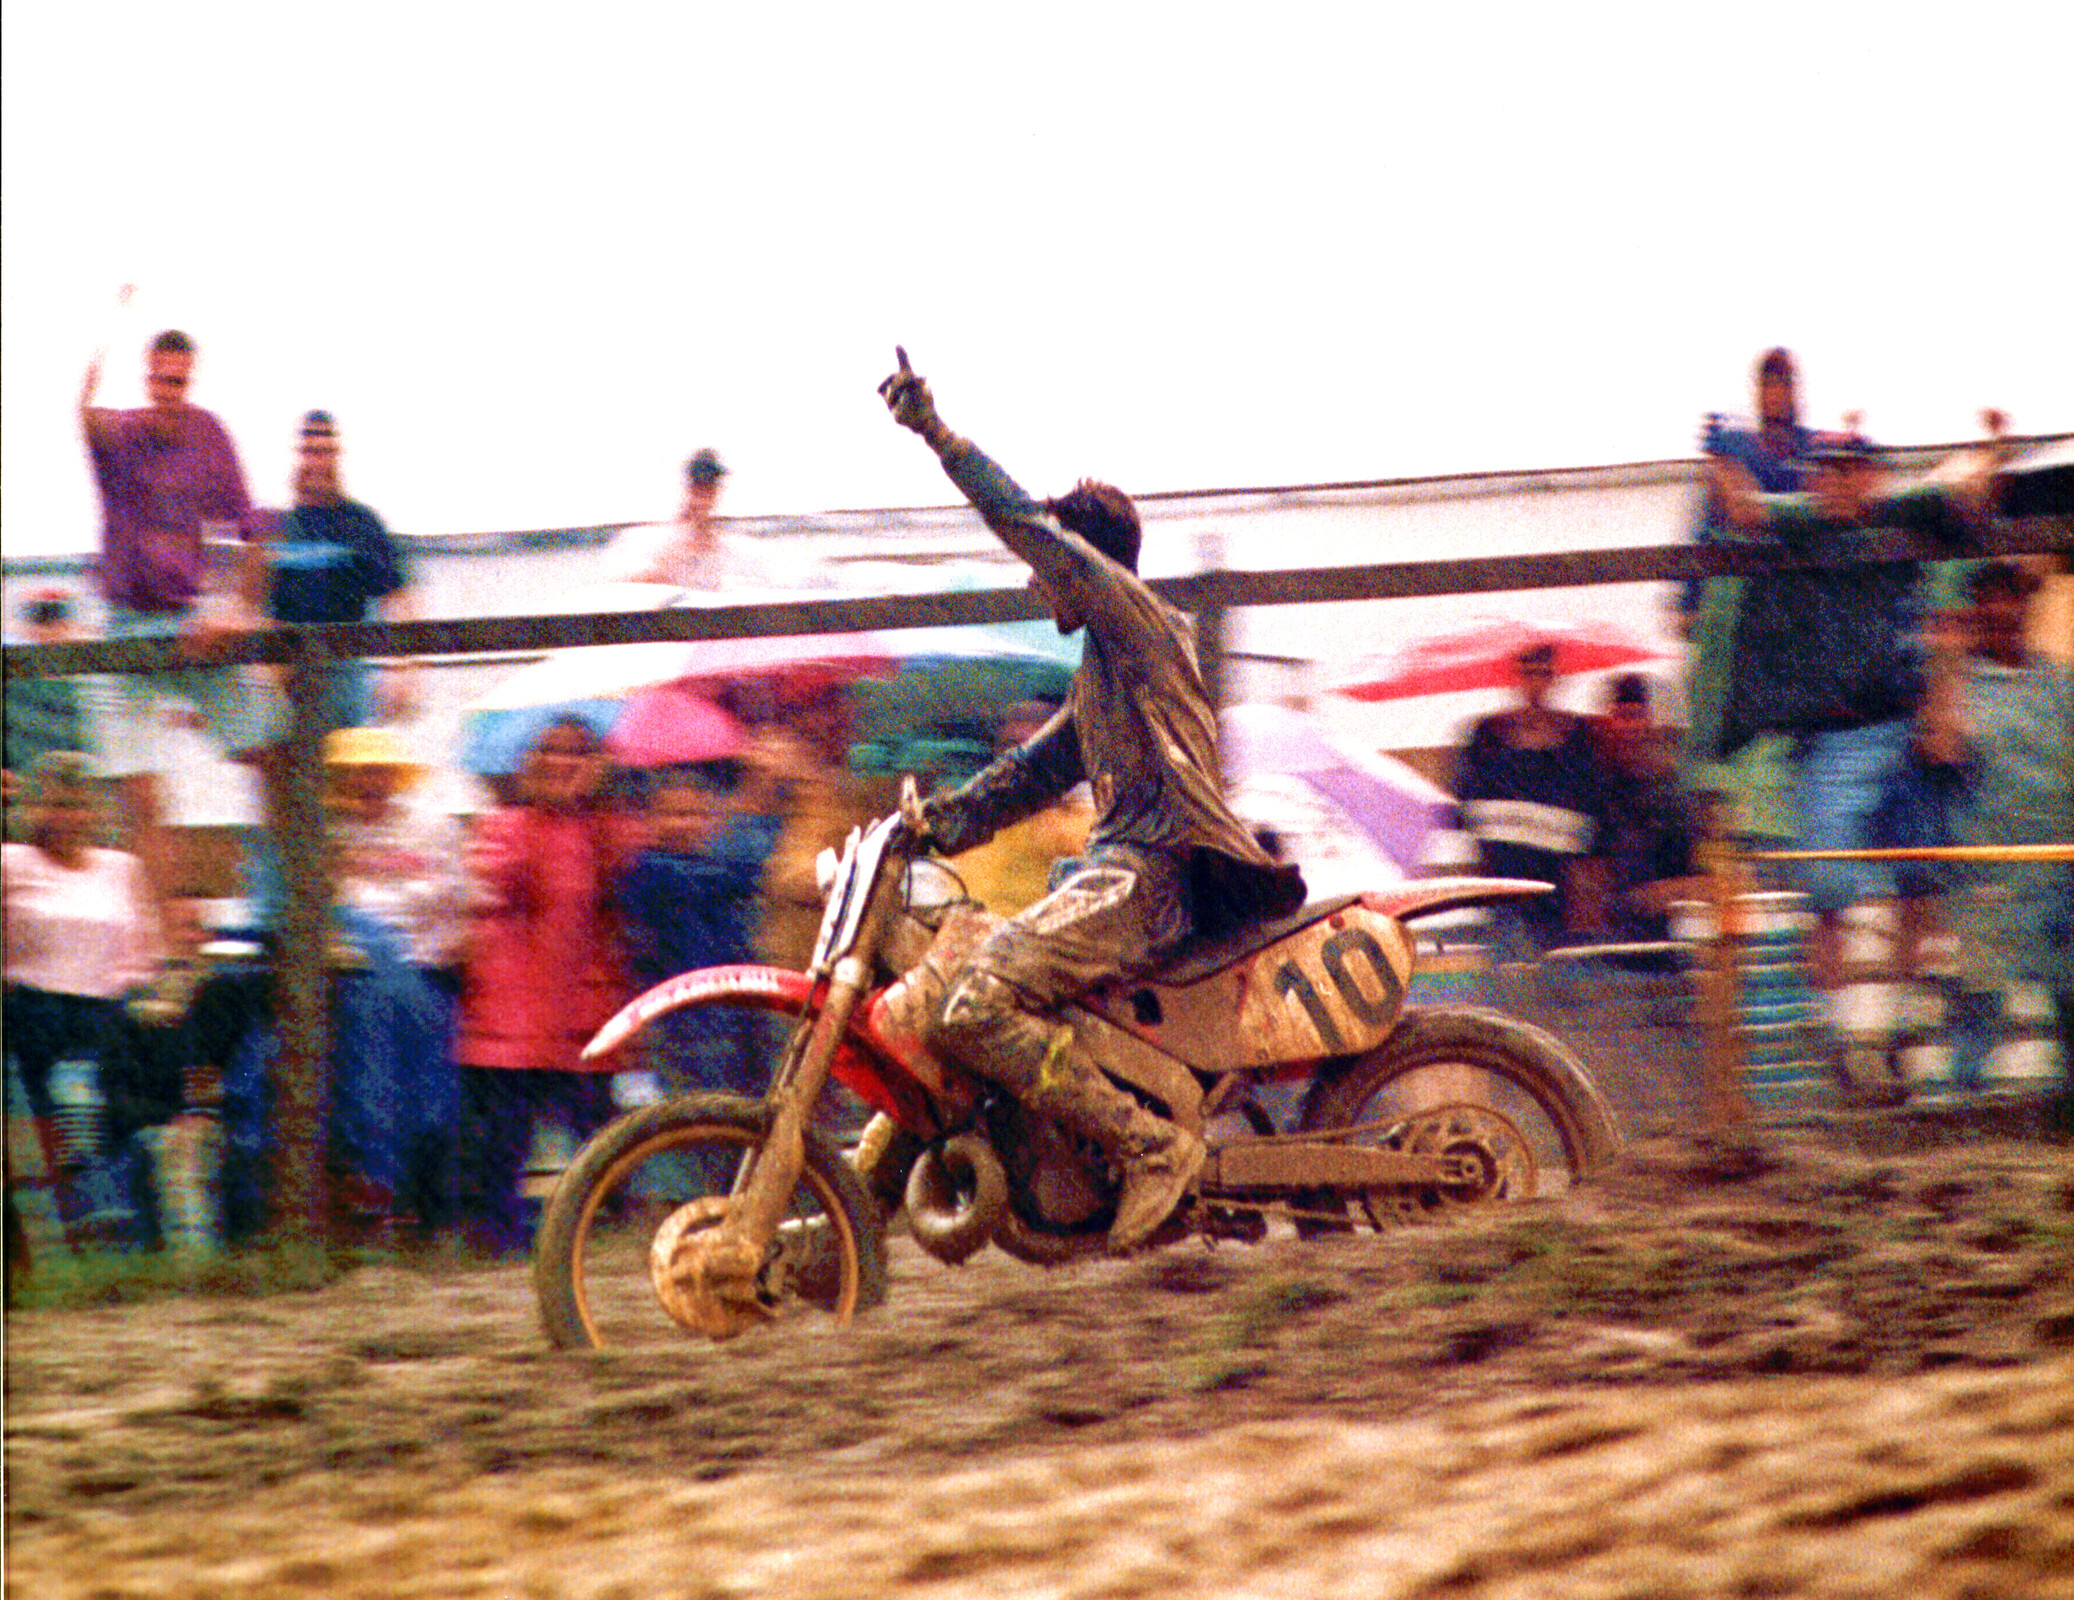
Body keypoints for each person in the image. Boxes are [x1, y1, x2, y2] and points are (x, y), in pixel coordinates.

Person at [878, 349, 1305, 1251]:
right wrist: (927, 826)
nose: (1033, 582)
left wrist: (939, 437)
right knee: (967, 976)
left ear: (1083, 565)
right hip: (1114, 877)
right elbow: (1030, 775)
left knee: (973, 1007)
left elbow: (1026, 526)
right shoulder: (1107, 674)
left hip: (1151, 876)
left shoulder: (1138, 621)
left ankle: (1151, 1148)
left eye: (1048, 565)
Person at [1687, 421, 2007, 998]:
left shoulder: (1902, 510)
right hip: (1833, 734)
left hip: (1904, 723)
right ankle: (1836, 1020)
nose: (1835, 482)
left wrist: (1990, 448)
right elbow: (1746, 511)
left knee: (1920, 874)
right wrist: (1720, 458)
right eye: (1826, 471)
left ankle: (1903, 1011)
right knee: (1827, 889)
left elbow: (1964, 492)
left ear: (1870, 476)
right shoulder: (1802, 518)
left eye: (1847, 470)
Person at [77, 321, 289, 910]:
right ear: (145, 379)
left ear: (190, 380)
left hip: (189, 624)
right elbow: (84, 412)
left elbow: (254, 530)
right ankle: (170, 944)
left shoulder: (209, 434)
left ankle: (283, 906)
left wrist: (234, 609)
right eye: (158, 380)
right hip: (122, 622)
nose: (167, 392)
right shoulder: (121, 431)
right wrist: (108, 322)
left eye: (177, 382)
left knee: (273, 754)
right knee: (139, 796)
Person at [452, 717, 638, 1253]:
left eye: (576, 753)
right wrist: (545, 817)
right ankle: (497, 1235)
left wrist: (596, 809)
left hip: (582, 1000)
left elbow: (624, 877)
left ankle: (615, 1225)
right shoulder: (506, 824)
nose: (561, 763)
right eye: (550, 752)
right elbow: (500, 883)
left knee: (598, 1124)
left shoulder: (607, 826)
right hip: (512, 1005)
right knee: (505, 1134)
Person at [1915, 561, 2073, 1102]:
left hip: (2061, 867)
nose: (2002, 609)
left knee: (2069, 997)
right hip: (1989, 875)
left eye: (2012, 596)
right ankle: (1965, 1114)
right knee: (1977, 1006)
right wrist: (1947, 658)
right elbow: (1941, 749)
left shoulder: (2060, 682)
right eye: (1989, 597)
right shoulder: (1963, 684)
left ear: (2028, 604)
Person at [3, 754, 161, 1237]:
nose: (68, 817)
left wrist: (138, 989)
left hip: (106, 1008)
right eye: (56, 805)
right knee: (70, 1075)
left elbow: (143, 950)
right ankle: (90, 1203)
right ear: (34, 810)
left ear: (96, 812)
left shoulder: (122, 868)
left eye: (79, 805)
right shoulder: (11, 861)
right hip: (31, 1005)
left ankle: (99, 1206)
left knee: (95, 1072)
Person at [324, 726, 469, 1240]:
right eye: (356, 772)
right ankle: (381, 1200)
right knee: (371, 1092)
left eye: (377, 770)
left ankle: (425, 1205)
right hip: (356, 977)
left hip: (425, 970)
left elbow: (455, 896)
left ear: (394, 775)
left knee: (432, 1098)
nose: (368, 781)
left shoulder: (431, 826)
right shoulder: (328, 833)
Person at [615, 759, 784, 1098]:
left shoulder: (715, 866)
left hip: (735, 1010)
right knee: (697, 1101)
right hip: (681, 1016)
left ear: (713, 820)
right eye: (675, 815)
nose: (687, 824)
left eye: (697, 814)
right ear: (651, 820)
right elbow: (719, 881)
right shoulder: (649, 871)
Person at [264, 412, 419, 732]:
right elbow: (262, 612)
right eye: (310, 451)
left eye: (326, 451)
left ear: (337, 456)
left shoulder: (362, 523)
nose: (317, 461)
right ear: (298, 456)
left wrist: (401, 671)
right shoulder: (281, 529)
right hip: (287, 681)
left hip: (347, 677)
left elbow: (398, 599)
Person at [1454, 642, 1603, 958]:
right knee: (1507, 962)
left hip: (1559, 889)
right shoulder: (1486, 734)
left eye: (1544, 673)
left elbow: (1592, 811)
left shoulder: (1578, 736)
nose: (1535, 683)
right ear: (1516, 676)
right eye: (1528, 673)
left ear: (1555, 678)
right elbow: (1466, 806)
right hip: (1502, 885)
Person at [1586, 675, 1704, 952]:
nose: (1631, 728)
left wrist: (1669, 891)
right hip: (1613, 948)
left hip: (1678, 944)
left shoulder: (1675, 793)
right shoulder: (1596, 790)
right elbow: (1591, 883)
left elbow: (1707, 877)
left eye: (1637, 716)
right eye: (1622, 717)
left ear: (1652, 721)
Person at [609, 448, 763, 592]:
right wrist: (671, 562)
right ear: (686, 485)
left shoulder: (732, 547)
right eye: (697, 482)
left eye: (710, 484)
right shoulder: (645, 541)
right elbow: (619, 588)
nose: (703, 492)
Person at [3, 590, 92, 832]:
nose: (51, 631)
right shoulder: (12, 682)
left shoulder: (85, 685)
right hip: (22, 797)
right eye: (42, 619)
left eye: (57, 618)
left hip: (72, 799)